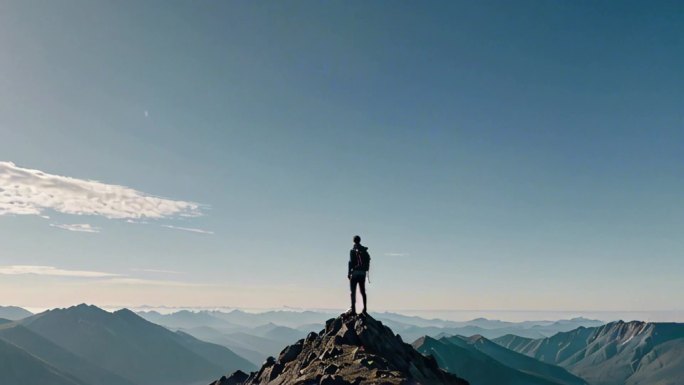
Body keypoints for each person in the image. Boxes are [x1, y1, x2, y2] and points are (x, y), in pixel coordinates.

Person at [348, 235, 370, 315]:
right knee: (362, 291)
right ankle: (365, 309)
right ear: (359, 240)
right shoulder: (364, 250)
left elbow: (350, 262)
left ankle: (353, 309)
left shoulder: (353, 250)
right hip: (362, 273)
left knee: (353, 291)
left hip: (355, 273)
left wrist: (349, 273)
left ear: (353, 241)